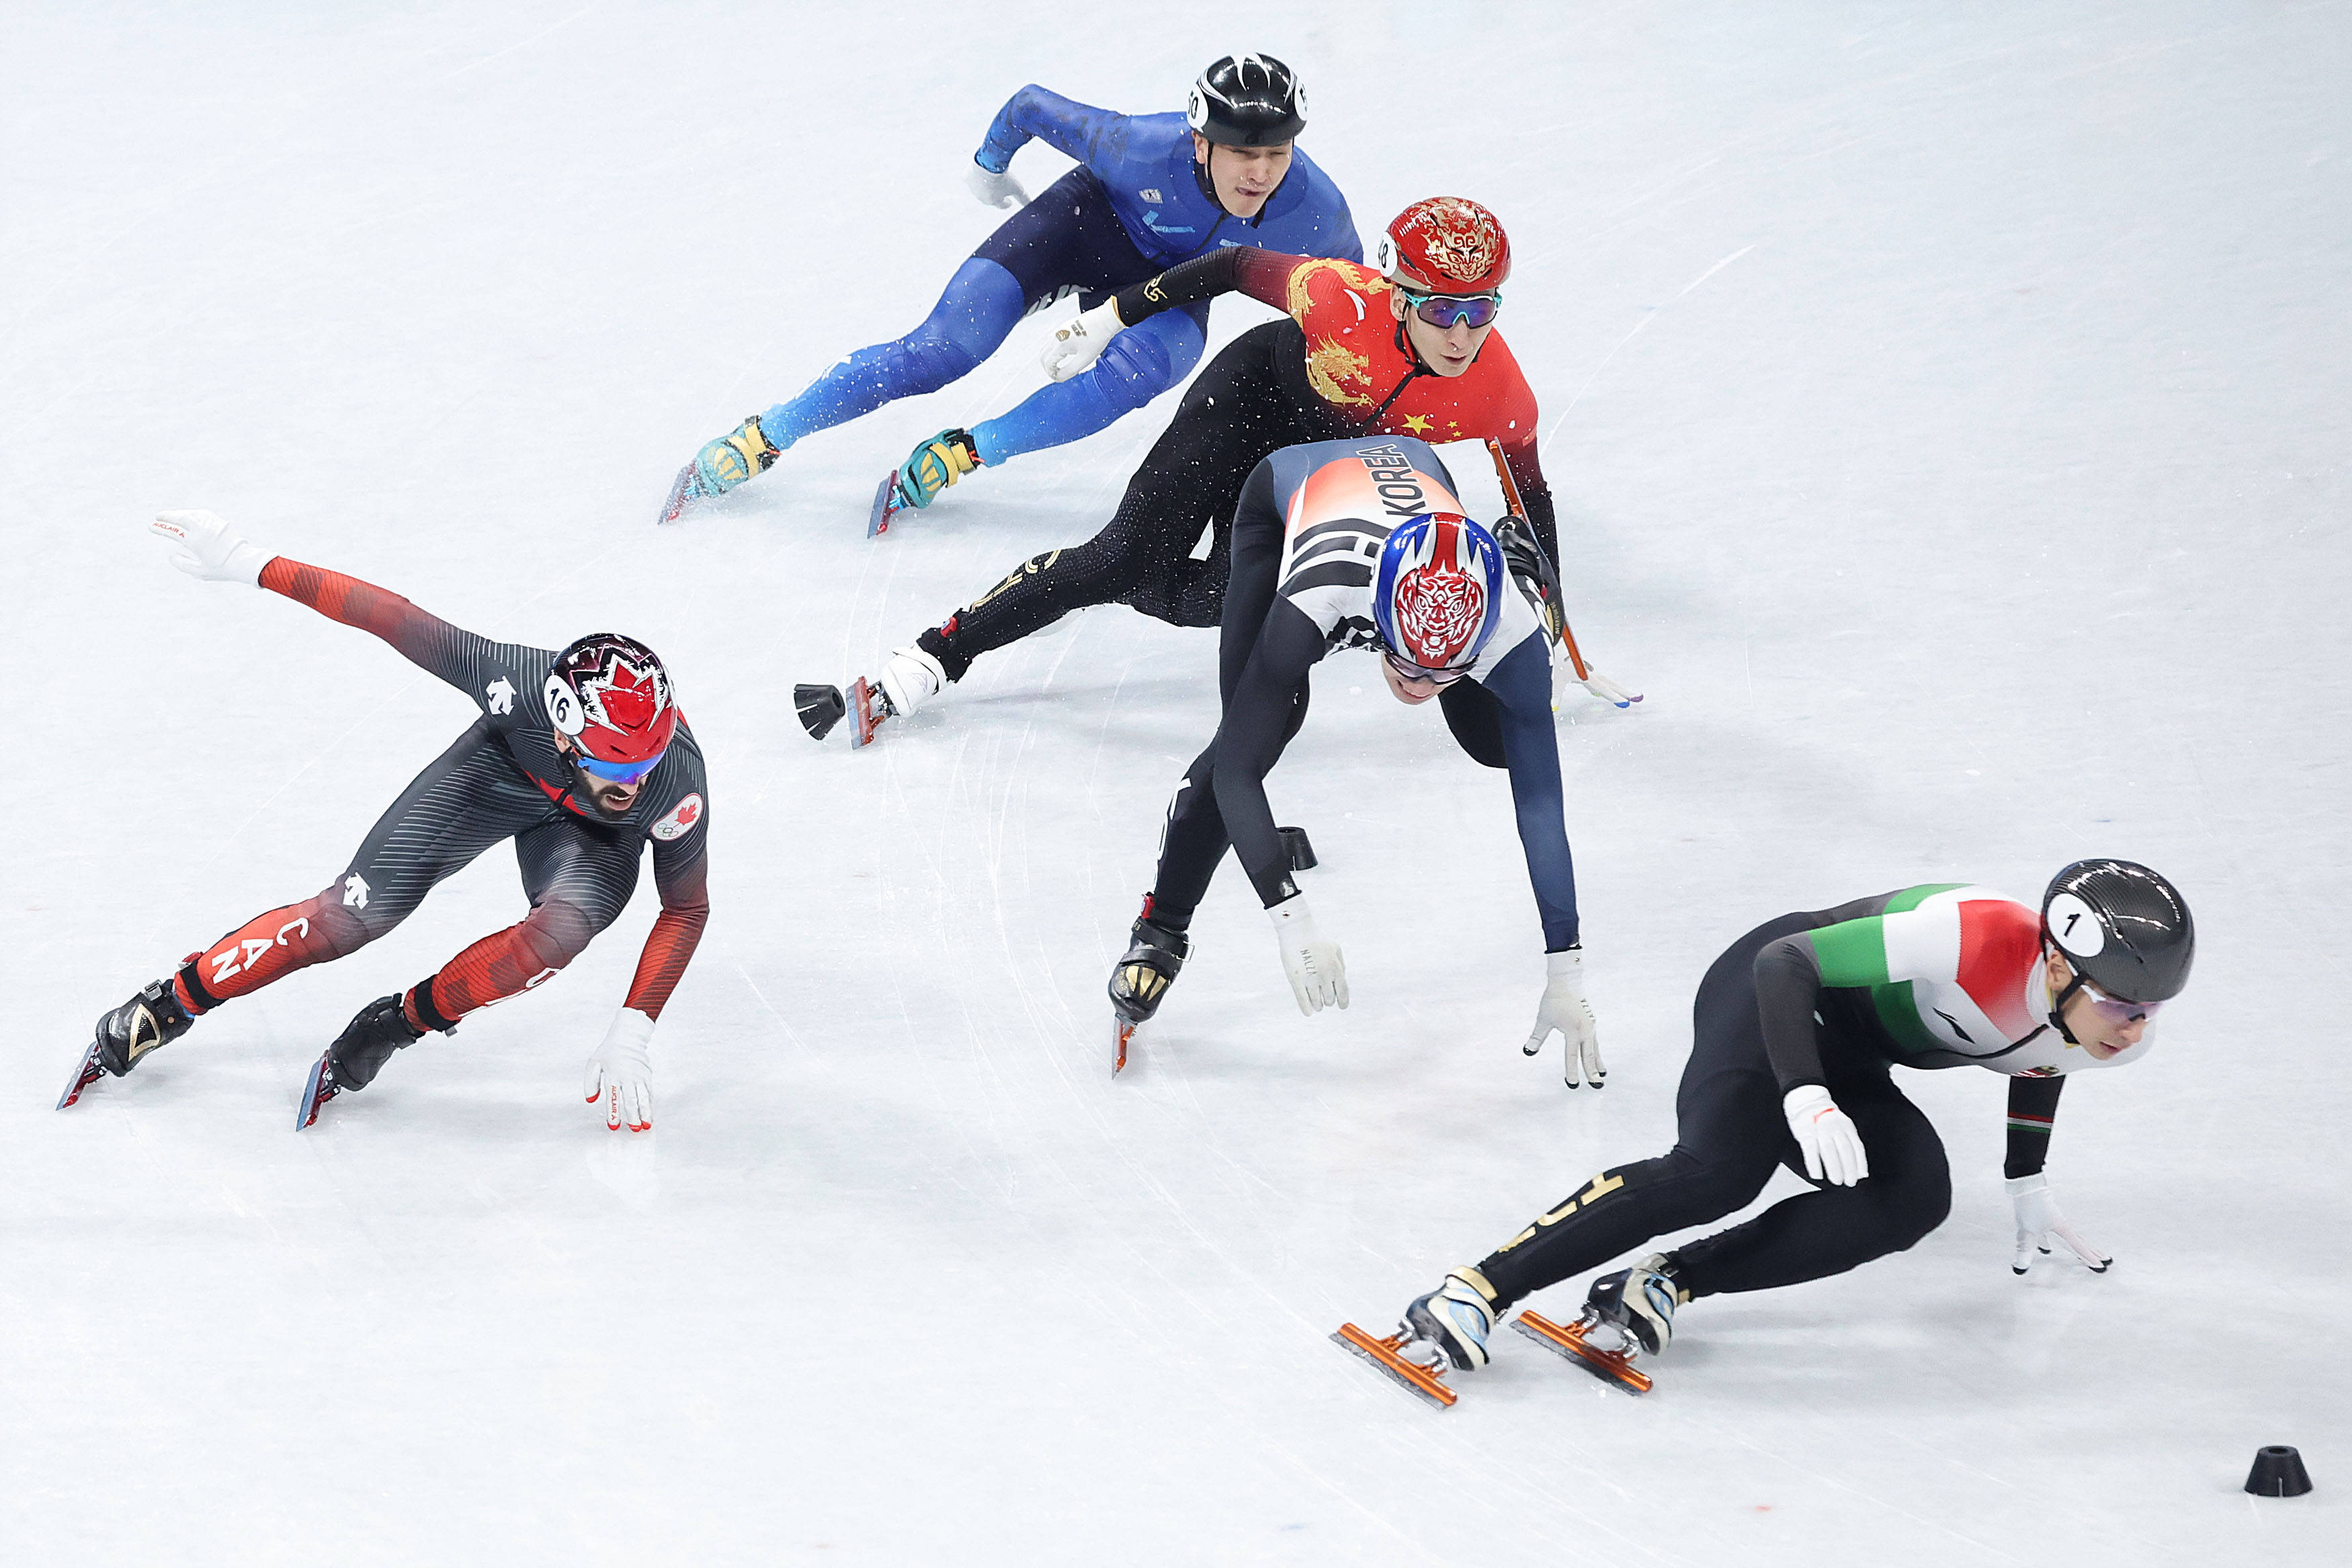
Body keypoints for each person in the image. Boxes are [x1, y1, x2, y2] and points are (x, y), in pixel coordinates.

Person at [1368, 861, 2195, 1395]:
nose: (2133, 1027)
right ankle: (1474, 1289)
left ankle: (1663, 1282)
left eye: (2150, 1010)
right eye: (2122, 1005)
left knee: (1913, 1197)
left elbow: (2042, 1063)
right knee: (1718, 1169)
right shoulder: (1969, 933)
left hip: (1848, 1053)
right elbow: (1786, 963)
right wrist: (1803, 1094)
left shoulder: (2109, 1036)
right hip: (1771, 995)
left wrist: (2026, 1177)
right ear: (2055, 965)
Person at [840, 196, 1623, 734]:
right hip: (1245, 400)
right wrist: (1109, 316)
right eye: (1440, 310)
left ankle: (1108, 578)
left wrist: (1557, 641)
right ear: (1398, 294)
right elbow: (1228, 263)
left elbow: (1530, 506)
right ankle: (932, 658)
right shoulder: (1339, 298)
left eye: (1480, 309)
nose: (1460, 335)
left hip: (1311, 462)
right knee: (1119, 558)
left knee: (1202, 599)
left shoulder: (1500, 395)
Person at [60, 512, 711, 1132]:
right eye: (617, 770)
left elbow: (685, 909)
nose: (636, 785)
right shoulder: (515, 679)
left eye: (645, 765)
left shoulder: (675, 786)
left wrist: (636, 1023)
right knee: (343, 919)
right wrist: (250, 563)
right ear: (565, 731)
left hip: (594, 843)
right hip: (500, 774)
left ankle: (393, 1026)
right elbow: (390, 618)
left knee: (558, 936)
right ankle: (170, 1003)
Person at [659, 54, 1358, 525]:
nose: (1259, 172)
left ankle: (968, 449)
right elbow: (1027, 104)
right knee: (939, 353)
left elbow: (1357, 303)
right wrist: (988, 169)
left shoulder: (1316, 208)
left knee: (1146, 372)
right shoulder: (1136, 147)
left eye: (1276, 152)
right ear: (1201, 143)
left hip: (1170, 287)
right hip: (1078, 227)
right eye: (1242, 151)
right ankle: (766, 433)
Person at [1103, 434, 1601, 1083]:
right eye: (1403, 661)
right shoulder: (1324, 591)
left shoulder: (1507, 629)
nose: (1417, 687)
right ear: (1378, 623)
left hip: (1417, 481)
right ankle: (1160, 929)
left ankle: (1525, 571)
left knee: (1496, 743)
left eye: (1442, 672)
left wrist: (1566, 964)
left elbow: (1541, 803)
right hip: (1290, 497)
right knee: (1259, 732)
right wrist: (1290, 914)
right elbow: (1237, 772)